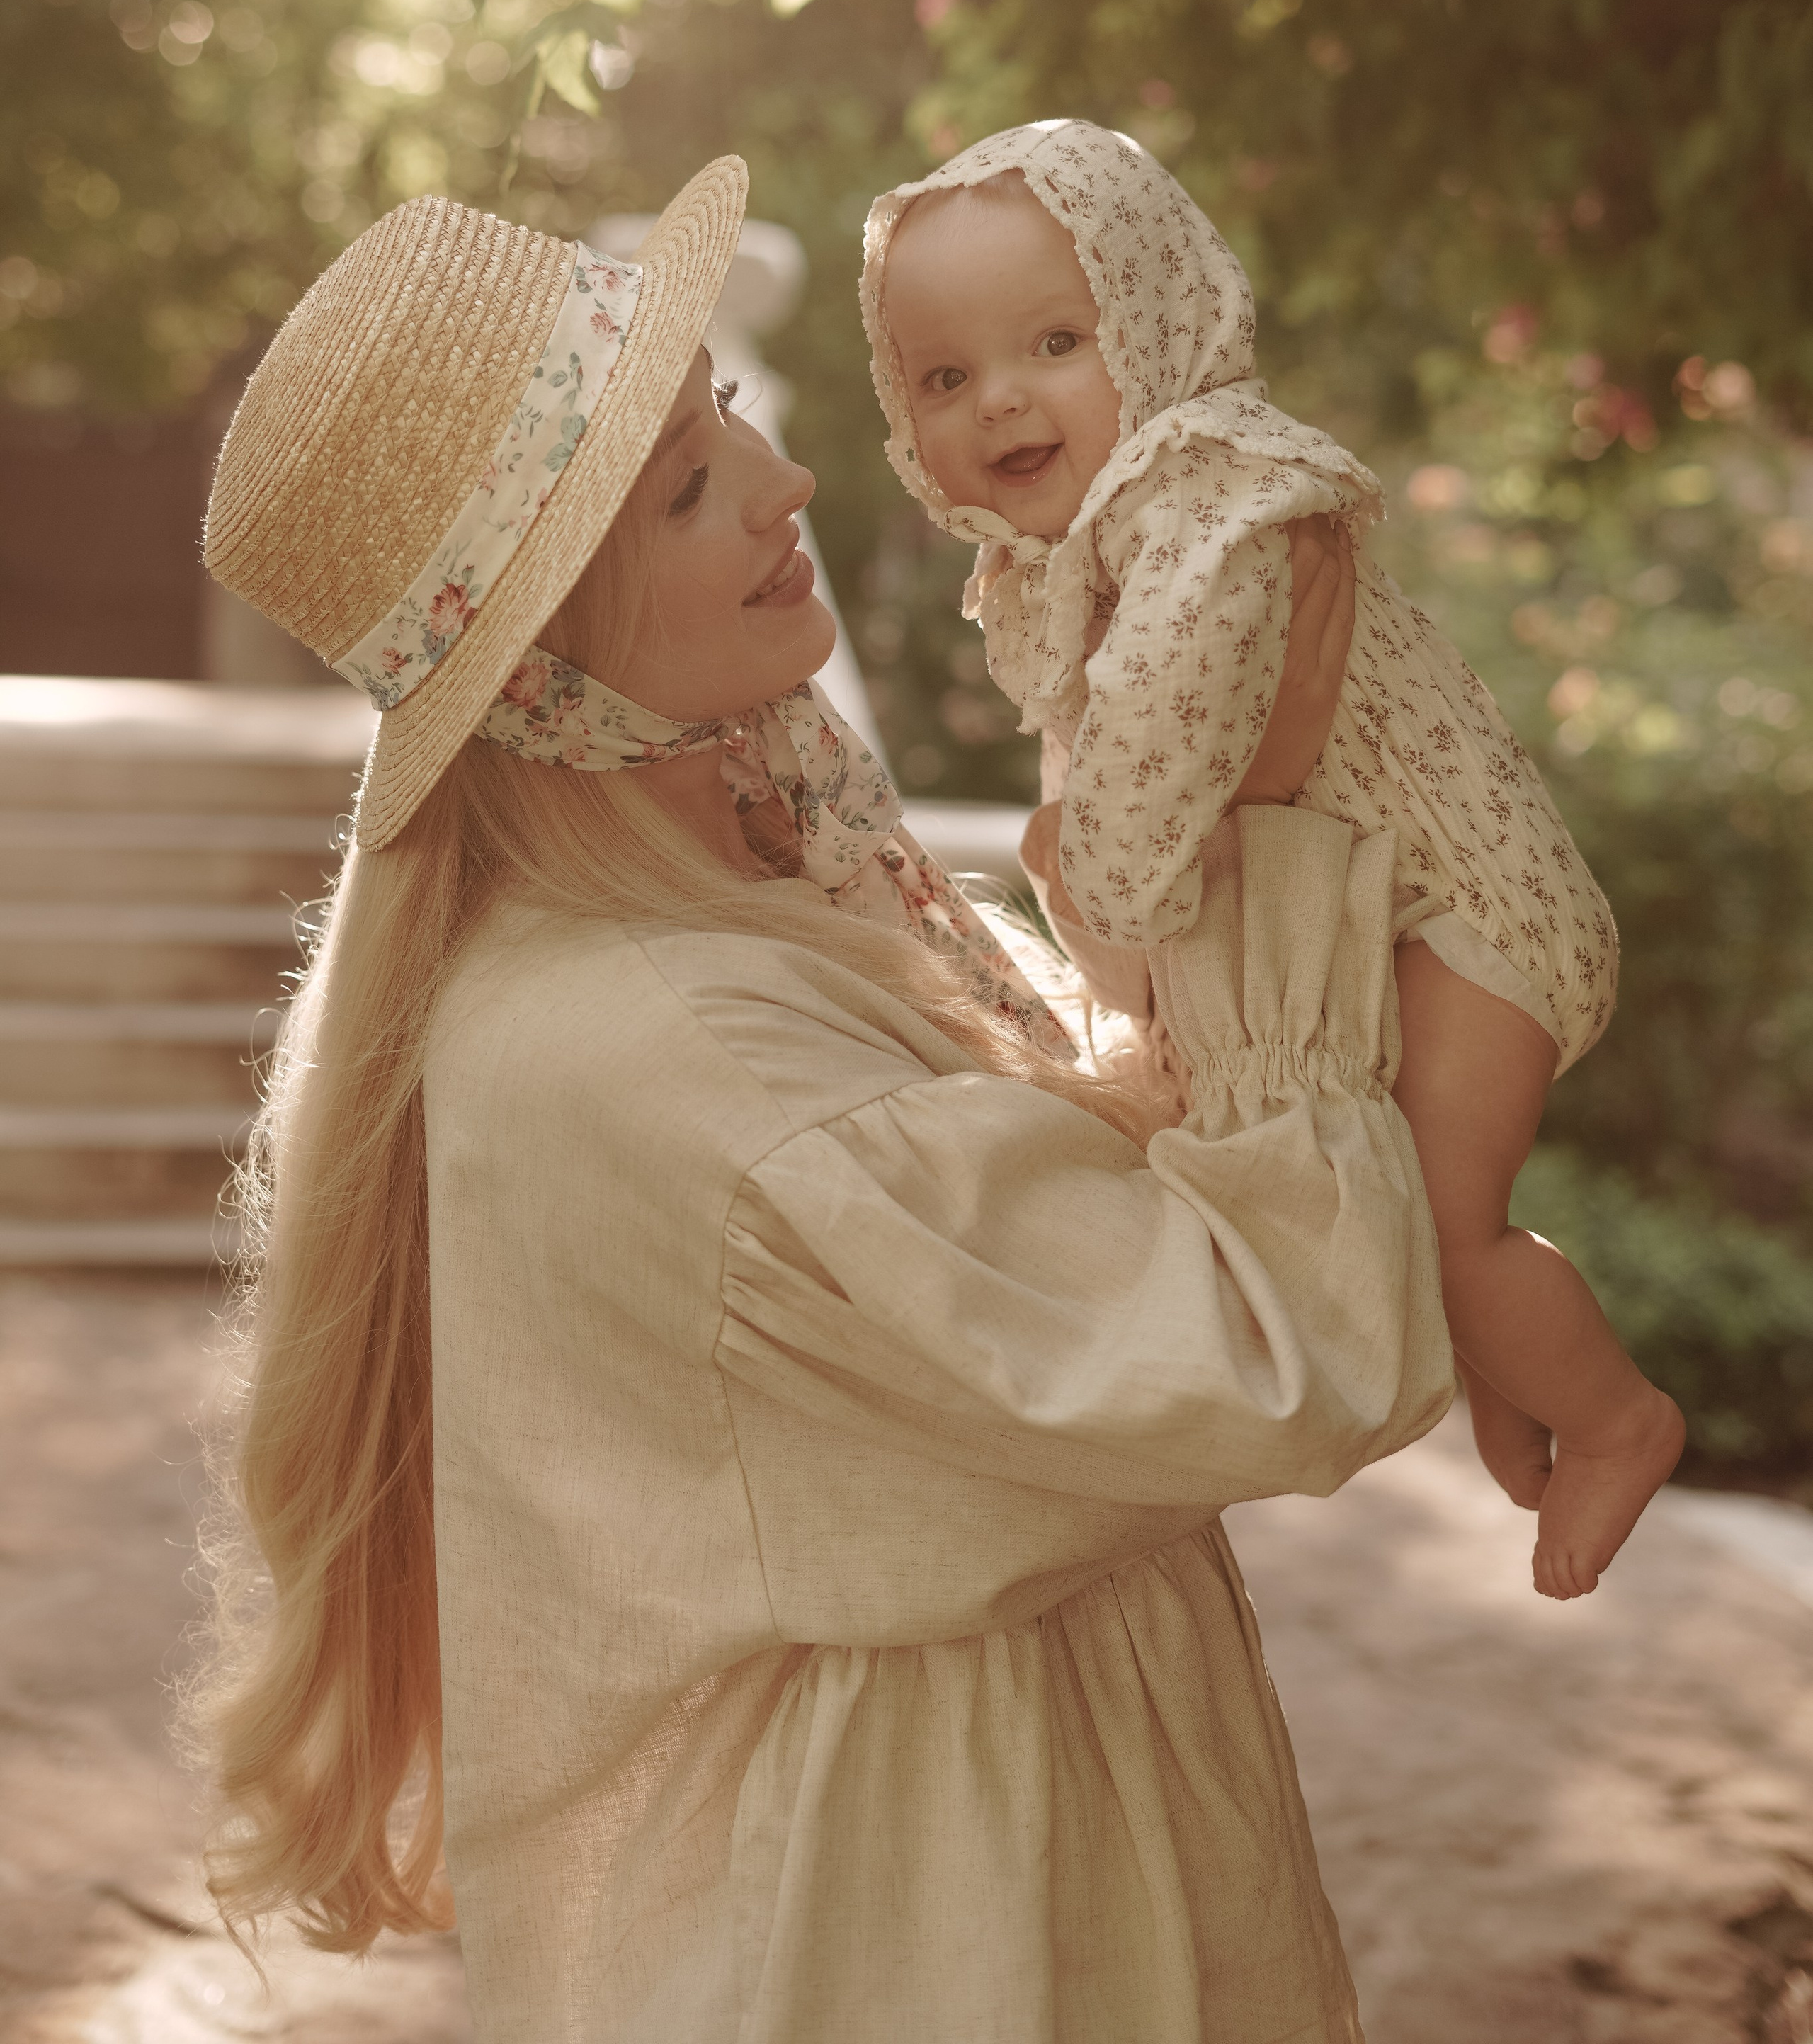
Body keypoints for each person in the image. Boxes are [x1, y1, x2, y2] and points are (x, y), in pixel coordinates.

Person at [194, 156, 1452, 2044]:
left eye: (737, 423)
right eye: (698, 485)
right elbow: (1284, 1341)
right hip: (930, 1936)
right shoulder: (679, 1056)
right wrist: (1271, 845)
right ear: (547, 668)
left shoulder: (740, 907)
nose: (789, 486)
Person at [862, 118, 1685, 1603]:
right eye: (941, 376)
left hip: (1475, 914)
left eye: (1054, 339)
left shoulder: (1211, 505)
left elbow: (1165, 734)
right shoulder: (1106, 537)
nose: (998, 401)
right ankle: (1511, 1355)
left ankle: (1619, 1418)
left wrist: (1097, 887)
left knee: (1441, 1218)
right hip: (1393, 915)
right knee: (1417, 1205)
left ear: (1163, 316)